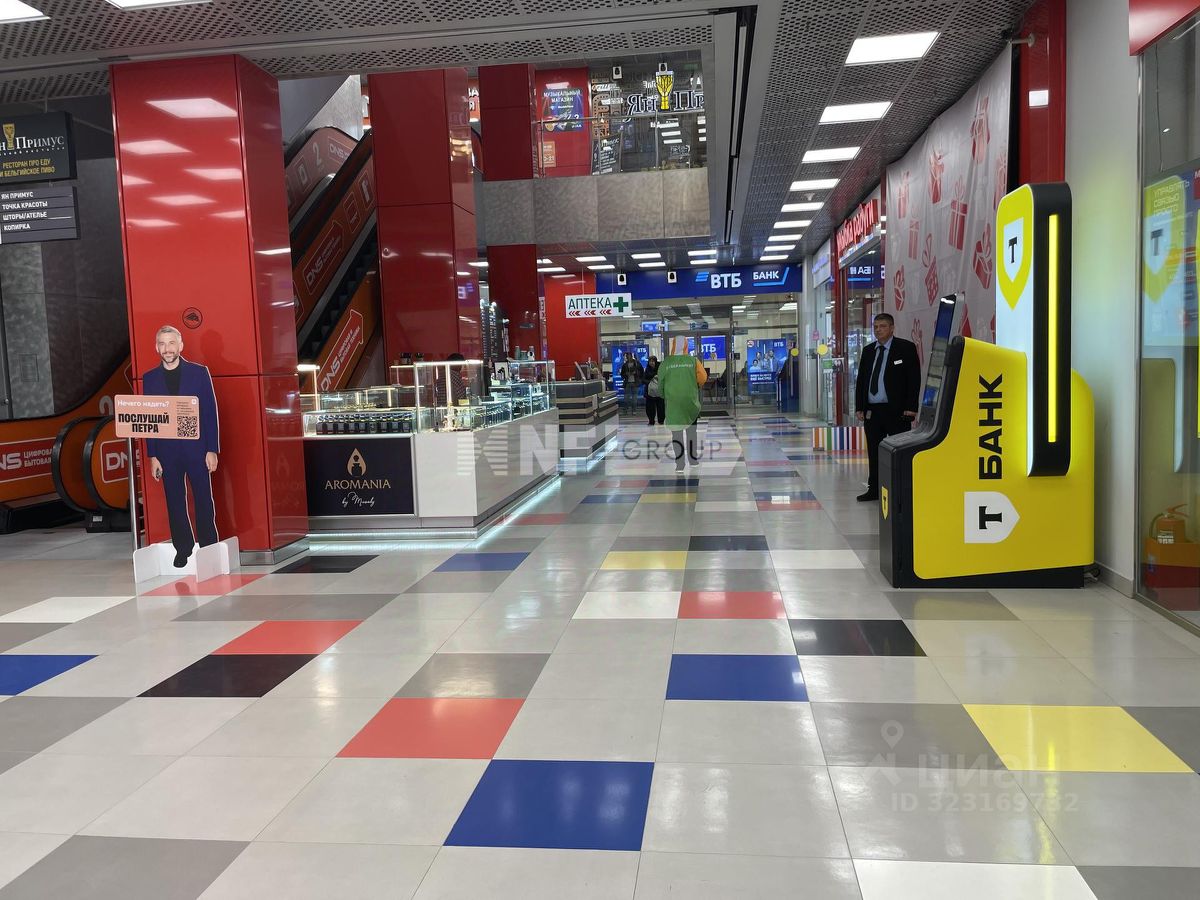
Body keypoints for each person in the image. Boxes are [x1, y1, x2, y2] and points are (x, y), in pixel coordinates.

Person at [142, 325, 220, 568]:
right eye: (162, 344)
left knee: (204, 499)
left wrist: (212, 449)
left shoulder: (199, 373)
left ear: (180, 346)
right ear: (157, 348)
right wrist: (153, 455)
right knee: (174, 501)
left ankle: (209, 547)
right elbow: (150, 421)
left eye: (171, 343)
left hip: (197, 449)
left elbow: (210, 412)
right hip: (166, 452)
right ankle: (183, 548)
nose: (167, 349)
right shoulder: (149, 378)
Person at [855, 312, 920, 501]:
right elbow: (862, 380)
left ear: (892, 328)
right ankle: (874, 488)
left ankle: (901, 490)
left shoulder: (905, 348)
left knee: (899, 452)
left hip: (897, 410)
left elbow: (913, 379)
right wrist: (860, 406)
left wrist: (911, 407)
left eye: (882, 326)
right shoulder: (868, 351)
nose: (878, 330)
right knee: (874, 451)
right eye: (875, 327)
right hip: (873, 411)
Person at [659, 336, 707, 472]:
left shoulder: (666, 363)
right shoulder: (693, 361)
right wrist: (695, 385)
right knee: (691, 432)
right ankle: (693, 460)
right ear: (686, 345)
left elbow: (660, 382)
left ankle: (680, 465)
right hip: (690, 401)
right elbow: (703, 377)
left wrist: (664, 395)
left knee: (676, 434)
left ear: (673, 345)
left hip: (673, 403)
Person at [642, 355, 664, 426]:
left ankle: (661, 420)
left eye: (653, 361)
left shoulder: (660, 369)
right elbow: (643, 379)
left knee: (661, 407)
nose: (651, 363)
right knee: (650, 408)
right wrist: (650, 382)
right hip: (650, 392)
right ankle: (651, 420)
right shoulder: (647, 369)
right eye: (650, 361)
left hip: (659, 391)